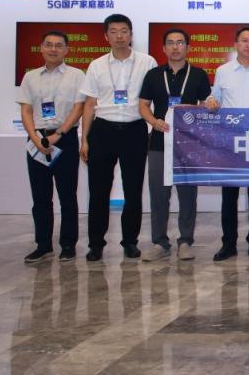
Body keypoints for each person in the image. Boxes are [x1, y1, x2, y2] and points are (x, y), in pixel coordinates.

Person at [79, 14, 157, 261]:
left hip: (134, 130)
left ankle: (130, 242)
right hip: (103, 130)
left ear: (131, 34)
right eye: (113, 31)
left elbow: (153, 98)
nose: (119, 36)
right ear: (106, 36)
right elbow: (89, 104)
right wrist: (84, 139)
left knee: (133, 190)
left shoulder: (147, 62)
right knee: (98, 191)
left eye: (124, 31)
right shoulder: (96, 65)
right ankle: (96, 244)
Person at [138, 28, 212, 262]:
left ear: (188, 48)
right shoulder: (153, 75)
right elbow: (143, 105)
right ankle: (160, 242)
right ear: (163, 48)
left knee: (188, 194)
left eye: (180, 42)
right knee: (159, 195)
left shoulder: (198, 75)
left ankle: (186, 241)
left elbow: (206, 106)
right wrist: (154, 122)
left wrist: (193, 110)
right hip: (159, 142)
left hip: (188, 144)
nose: (175, 47)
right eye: (170, 43)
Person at [205, 26, 249, 262]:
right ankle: (229, 243)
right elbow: (214, 97)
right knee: (229, 195)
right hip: (230, 140)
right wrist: (211, 102)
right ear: (236, 44)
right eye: (244, 40)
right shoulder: (223, 71)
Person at [18, 31, 86, 263]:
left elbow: (78, 108)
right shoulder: (30, 77)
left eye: (58, 45)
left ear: (66, 50)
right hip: (37, 140)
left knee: (67, 195)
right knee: (40, 196)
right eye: (49, 45)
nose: (53, 49)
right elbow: (26, 110)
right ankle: (43, 245)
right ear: (41, 48)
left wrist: (59, 134)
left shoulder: (76, 75)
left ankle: (68, 245)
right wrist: (35, 138)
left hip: (65, 138)